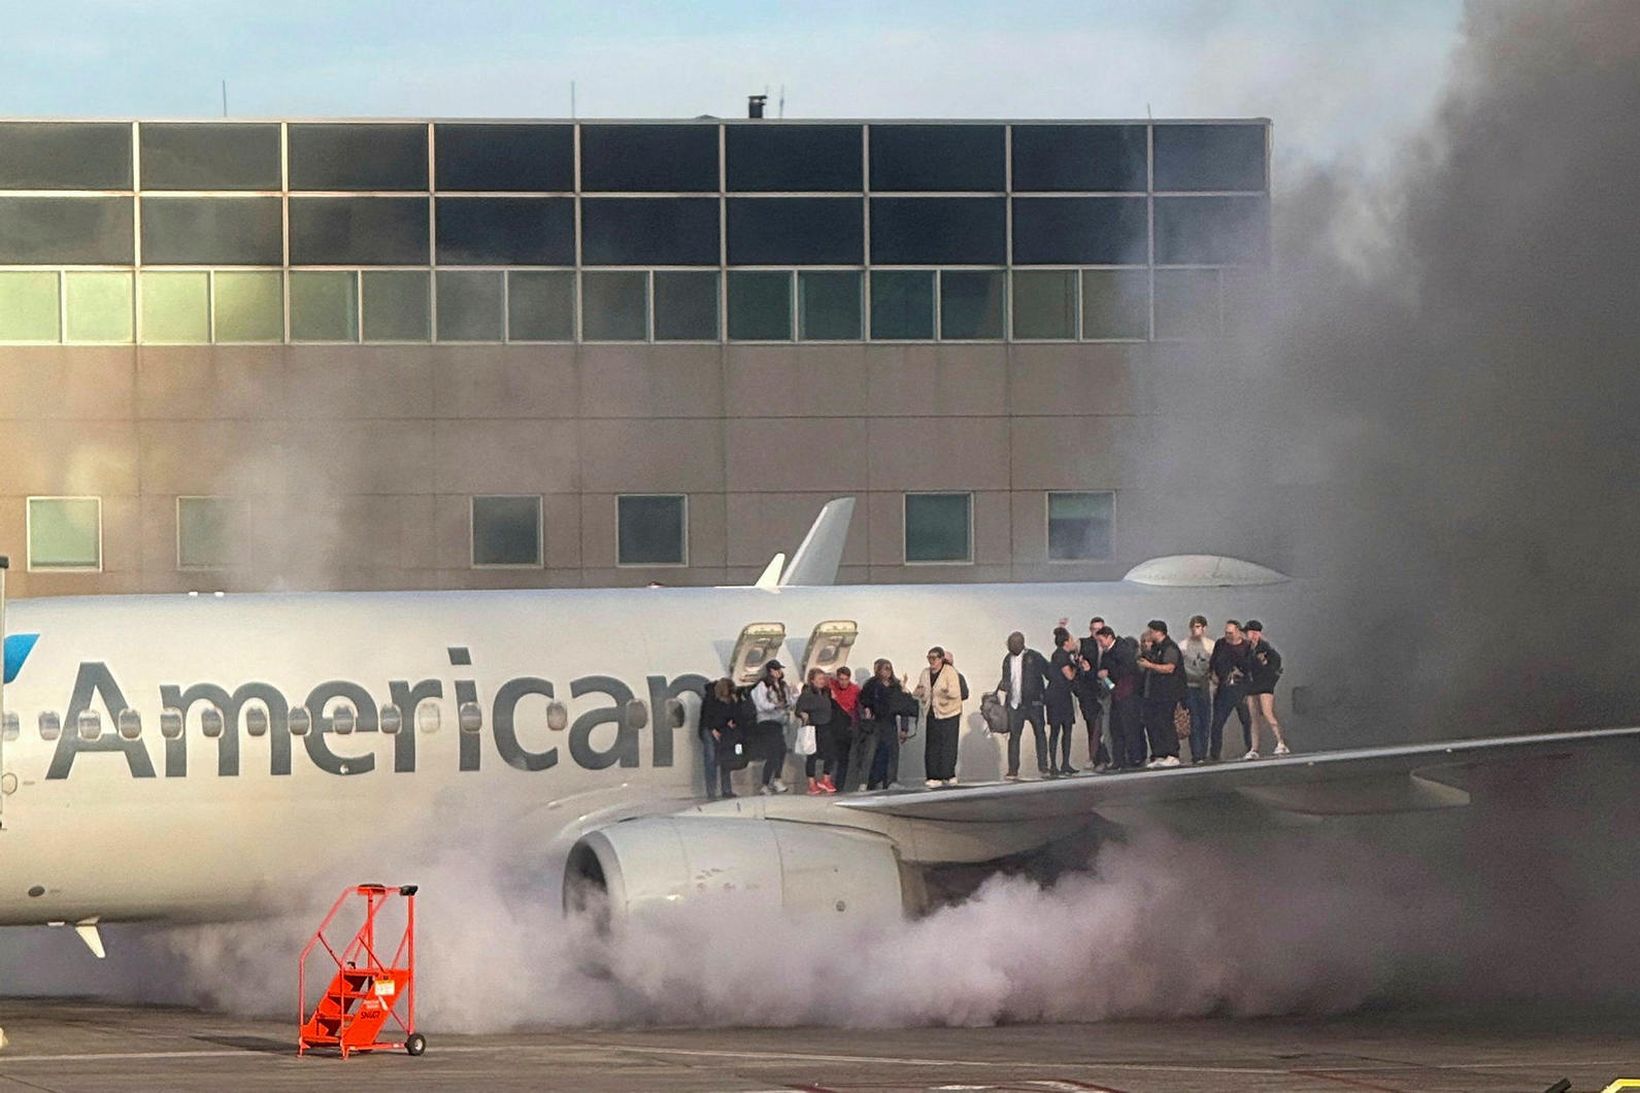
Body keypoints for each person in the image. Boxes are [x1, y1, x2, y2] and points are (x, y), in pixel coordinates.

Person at [994, 631, 1053, 781]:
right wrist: (1004, 685)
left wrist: (1043, 695)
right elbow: (1007, 678)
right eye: (1008, 644)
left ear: (1021, 644)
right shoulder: (1007, 659)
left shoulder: (1034, 657)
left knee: (1040, 734)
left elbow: (1050, 673)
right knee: (1014, 737)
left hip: (1034, 704)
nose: (1009, 647)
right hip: (1015, 704)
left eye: (1012, 644)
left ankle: (1043, 767)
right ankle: (1013, 770)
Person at [1135, 619, 1186, 768]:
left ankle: (1172, 754)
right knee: (1154, 723)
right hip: (1153, 694)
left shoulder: (1170, 647)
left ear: (1159, 632)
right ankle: (1159, 754)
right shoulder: (1155, 648)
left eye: (1151, 632)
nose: (1149, 635)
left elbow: (1169, 668)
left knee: (1166, 723)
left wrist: (1150, 665)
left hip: (1167, 693)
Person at [1094, 626, 1144, 769]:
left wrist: (1109, 673)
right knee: (1115, 728)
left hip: (1128, 694)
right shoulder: (1106, 653)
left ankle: (1134, 758)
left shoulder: (1123, 650)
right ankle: (1118, 759)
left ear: (1109, 637)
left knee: (1130, 727)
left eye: (1101, 640)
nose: (1101, 644)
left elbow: (1128, 670)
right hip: (1115, 694)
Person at [857, 659, 908, 791]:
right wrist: (867, 710)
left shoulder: (896, 685)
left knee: (892, 753)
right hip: (875, 722)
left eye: (889, 668)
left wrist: (904, 728)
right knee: (870, 753)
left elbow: (903, 707)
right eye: (884, 668)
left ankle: (891, 781)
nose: (887, 671)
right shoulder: (871, 684)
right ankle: (864, 781)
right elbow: (863, 700)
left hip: (890, 722)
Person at [915, 646, 963, 787]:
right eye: (929, 658)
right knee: (932, 745)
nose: (931, 661)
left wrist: (943, 692)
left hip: (949, 712)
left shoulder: (950, 672)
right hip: (932, 712)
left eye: (934, 658)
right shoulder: (925, 673)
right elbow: (922, 690)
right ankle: (933, 775)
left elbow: (955, 692)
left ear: (941, 659)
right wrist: (918, 692)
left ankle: (948, 774)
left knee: (948, 745)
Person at [1242, 620, 1291, 759]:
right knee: (1254, 717)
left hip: (1265, 684)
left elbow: (1275, 665)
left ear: (1257, 633)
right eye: (1248, 632)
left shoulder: (1266, 649)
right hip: (1252, 685)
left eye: (1252, 632)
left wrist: (1265, 665)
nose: (1250, 635)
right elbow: (1244, 666)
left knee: (1268, 712)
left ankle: (1281, 742)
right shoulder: (1247, 650)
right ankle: (1254, 748)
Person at [1208, 619, 1253, 761]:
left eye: (1231, 633)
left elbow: (1252, 667)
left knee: (1247, 721)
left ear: (1238, 632)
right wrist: (1213, 676)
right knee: (1217, 723)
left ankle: (1251, 748)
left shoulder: (1247, 646)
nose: (1228, 636)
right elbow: (1213, 664)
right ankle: (1215, 754)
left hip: (1242, 689)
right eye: (1226, 633)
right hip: (1224, 689)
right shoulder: (1221, 644)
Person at [749, 660, 793, 793]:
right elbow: (761, 704)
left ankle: (776, 779)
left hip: (779, 721)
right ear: (770, 671)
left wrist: (793, 697)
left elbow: (788, 701)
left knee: (781, 750)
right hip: (766, 722)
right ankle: (766, 782)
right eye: (776, 669)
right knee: (773, 751)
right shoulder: (762, 685)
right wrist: (774, 706)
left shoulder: (782, 685)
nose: (779, 672)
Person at [1075, 616, 1112, 770]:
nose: (1097, 633)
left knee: (1107, 727)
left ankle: (1106, 757)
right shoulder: (1084, 644)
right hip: (1089, 692)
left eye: (1099, 630)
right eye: (1094, 630)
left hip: (1107, 690)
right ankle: (1094, 757)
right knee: (1093, 726)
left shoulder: (1110, 647)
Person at [795, 668, 838, 795]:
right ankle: (811, 783)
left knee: (831, 753)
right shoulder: (807, 694)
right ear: (812, 680)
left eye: (823, 679)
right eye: (819, 679)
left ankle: (826, 779)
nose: (822, 681)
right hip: (814, 727)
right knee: (812, 755)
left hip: (826, 725)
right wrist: (803, 714)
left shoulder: (826, 692)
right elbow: (798, 710)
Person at [1179, 615, 1215, 764]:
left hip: (1204, 686)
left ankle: (1204, 751)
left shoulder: (1210, 645)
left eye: (1198, 626)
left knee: (1205, 719)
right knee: (1194, 720)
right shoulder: (1183, 645)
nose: (1195, 630)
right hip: (1189, 686)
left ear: (1204, 628)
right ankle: (1197, 754)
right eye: (1193, 627)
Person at [1046, 627, 1080, 776]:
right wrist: (1078, 666)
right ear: (1066, 642)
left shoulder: (1059, 654)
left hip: (1058, 696)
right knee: (1060, 731)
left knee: (1060, 731)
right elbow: (1070, 676)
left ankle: (1061, 764)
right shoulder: (1062, 656)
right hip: (1059, 697)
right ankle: (1057, 764)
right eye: (1071, 640)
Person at [699, 677, 740, 799]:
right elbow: (706, 717)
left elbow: (732, 714)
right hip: (709, 729)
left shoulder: (730, 700)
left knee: (725, 758)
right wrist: (713, 730)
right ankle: (711, 791)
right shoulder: (710, 698)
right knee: (711, 759)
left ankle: (726, 789)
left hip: (723, 729)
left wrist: (730, 722)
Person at [828, 666, 862, 790]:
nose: (843, 682)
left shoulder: (855, 690)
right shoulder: (832, 685)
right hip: (834, 726)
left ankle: (839, 786)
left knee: (843, 758)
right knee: (832, 756)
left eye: (845, 679)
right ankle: (828, 782)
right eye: (841, 679)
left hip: (847, 726)